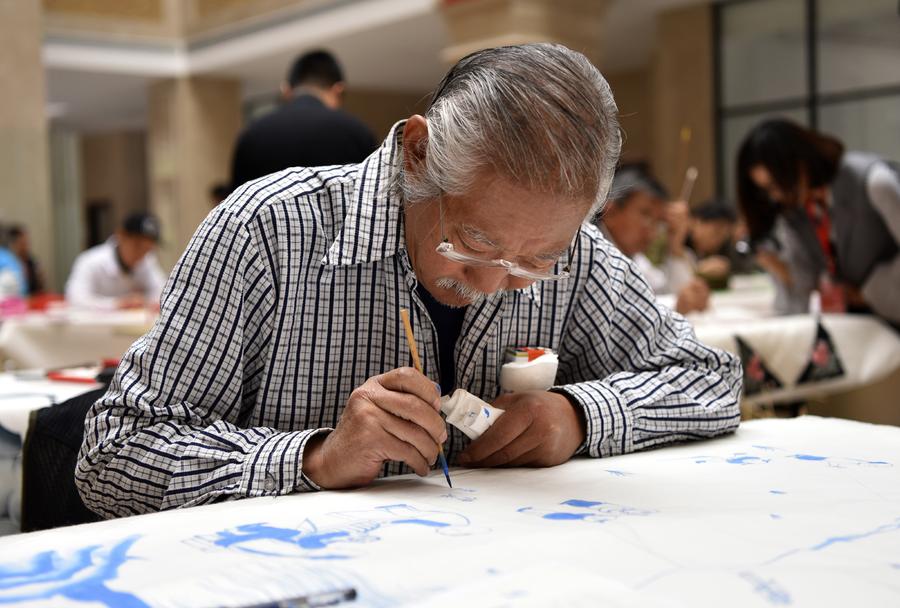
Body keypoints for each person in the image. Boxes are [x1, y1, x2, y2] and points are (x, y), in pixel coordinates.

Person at [77, 44, 742, 518]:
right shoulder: (266, 233)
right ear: (418, 153)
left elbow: (708, 378)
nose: (491, 282)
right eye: (474, 241)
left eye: (537, 260)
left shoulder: (577, 254)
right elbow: (113, 457)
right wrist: (312, 458)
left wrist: (578, 414)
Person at [737, 119, 900, 324]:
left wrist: (868, 293)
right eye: (766, 190)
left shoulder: (875, 182)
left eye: (777, 183)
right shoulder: (795, 211)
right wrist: (769, 260)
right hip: (861, 326)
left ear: (799, 162)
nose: (776, 196)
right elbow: (805, 283)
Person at [230, 49, 377, 190]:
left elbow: (234, 203)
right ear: (338, 90)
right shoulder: (357, 132)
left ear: (286, 90)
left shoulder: (252, 134)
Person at [597, 165, 710, 314]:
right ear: (610, 212)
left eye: (658, 221)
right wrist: (676, 306)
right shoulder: (592, 252)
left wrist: (675, 245)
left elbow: (664, 292)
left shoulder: (635, 258)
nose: (653, 231)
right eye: (645, 214)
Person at [65, 212, 166, 310]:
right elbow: (75, 299)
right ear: (120, 235)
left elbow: (162, 293)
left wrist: (144, 301)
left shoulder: (147, 261)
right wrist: (117, 304)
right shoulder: (90, 261)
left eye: (147, 249)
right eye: (137, 246)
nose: (141, 254)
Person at [7, 225, 45, 295]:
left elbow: (40, 286)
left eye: (27, 242)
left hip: (33, 299)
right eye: (22, 243)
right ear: (13, 244)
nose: (26, 246)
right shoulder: (7, 263)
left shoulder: (32, 261)